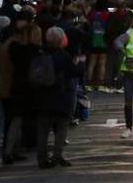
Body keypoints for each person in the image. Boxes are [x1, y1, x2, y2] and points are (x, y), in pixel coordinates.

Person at [34, 27, 83, 169]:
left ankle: (42, 158)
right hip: (60, 97)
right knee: (61, 128)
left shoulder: (41, 54)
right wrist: (79, 63)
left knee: (43, 130)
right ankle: (57, 155)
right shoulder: (63, 56)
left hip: (42, 97)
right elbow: (75, 72)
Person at [0, 10, 40, 165]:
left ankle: (12, 150)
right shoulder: (17, 47)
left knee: (15, 120)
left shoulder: (12, 45)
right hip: (14, 87)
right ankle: (9, 151)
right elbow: (19, 67)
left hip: (12, 86)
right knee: (14, 120)